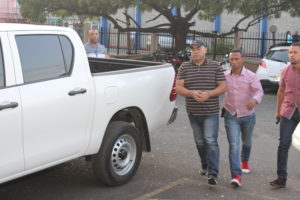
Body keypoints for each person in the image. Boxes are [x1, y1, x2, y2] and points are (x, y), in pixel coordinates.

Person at [176, 40, 227, 185]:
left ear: (206, 50)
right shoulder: (184, 66)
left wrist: (209, 94)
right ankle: (205, 164)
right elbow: (178, 88)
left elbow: (223, 86)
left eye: (198, 48)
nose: (195, 51)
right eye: (193, 49)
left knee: (210, 140)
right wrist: (192, 93)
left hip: (211, 111)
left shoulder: (215, 66)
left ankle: (213, 173)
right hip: (193, 111)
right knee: (199, 142)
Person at [223, 49, 264, 187]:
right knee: (234, 145)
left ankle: (244, 160)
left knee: (247, 142)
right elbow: (217, 87)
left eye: (236, 59)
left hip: (248, 115)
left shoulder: (251, 76)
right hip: (231, 115)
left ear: (242, 60)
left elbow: (259, 91)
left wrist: (254, 99)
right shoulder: (224, 76)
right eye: (231, 59)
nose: (233, 62)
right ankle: (236, 176)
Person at [270, 42, 300, 188]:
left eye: (295, 52)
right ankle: (281, 177)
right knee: (283, 143)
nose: (291, 55)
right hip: (288, 111)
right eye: (290, 52)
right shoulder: (286, 70)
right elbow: (281, 91)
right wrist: (278, 111)